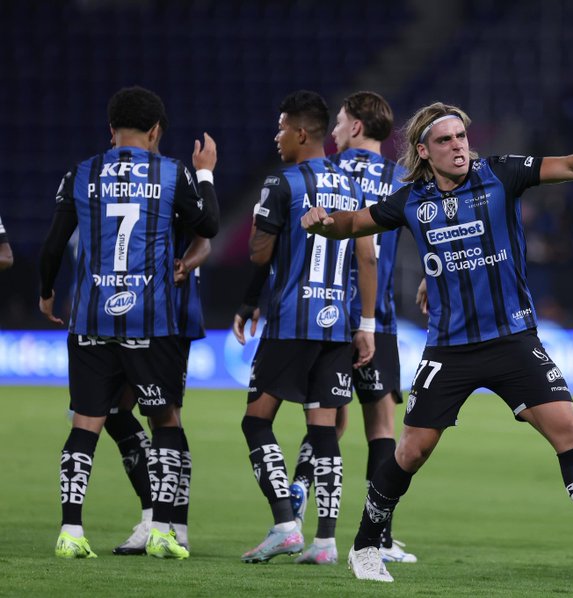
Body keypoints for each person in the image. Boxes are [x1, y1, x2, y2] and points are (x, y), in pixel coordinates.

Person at [301, 102, 573, 583]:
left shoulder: (500, 174)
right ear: (423, 151)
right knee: (410, 452)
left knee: (569, 430)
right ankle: (366, 546)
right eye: (446, 140)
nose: (459, 146)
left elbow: (572, 165)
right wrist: (324, 221)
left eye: (461, 137)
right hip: (451, 349)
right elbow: (354, 224)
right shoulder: (411, 200)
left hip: (514, 339)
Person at [38, 86, 219, 560]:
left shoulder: (80, 174)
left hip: (92, 316)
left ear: (110, 128)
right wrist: (205, 173)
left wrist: (45, 292)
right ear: (156, 130)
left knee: (85, 423)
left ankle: (71, 531)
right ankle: (163, 527)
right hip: (152, 318)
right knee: (164, 419)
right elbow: (210, 225)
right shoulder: (171, 172)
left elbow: (53, 245)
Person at [262, 91, 415, 564]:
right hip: (376, 315)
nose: (333, 130)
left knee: (329, 416)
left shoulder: (326, 171)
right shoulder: (398, 176)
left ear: (355, 127)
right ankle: (379, 536)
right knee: (381, 423)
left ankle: (302, 486)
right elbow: (426, 226)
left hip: (320, 309)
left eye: (341, 121)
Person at [236, 90, 376, 565]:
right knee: (323, 432)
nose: (276, 138)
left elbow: (259, 252)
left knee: (256, 421)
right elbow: (365, 255)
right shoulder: (353, 186)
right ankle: (325, 543)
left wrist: (262, 231)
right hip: (337, 323)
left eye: (280, 129)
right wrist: (365, 323)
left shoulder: (283, 182)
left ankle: (284, 524)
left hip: (292, 322)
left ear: (300, 133)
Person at [107, 115, 214, 555]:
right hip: (125, 314)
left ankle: (168, 522)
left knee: (162, 415)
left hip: (170, 315)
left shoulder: (176, 175)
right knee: (115, 411)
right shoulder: (114, 182)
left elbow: (205, 238)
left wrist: (185, 265)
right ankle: (157, 515)